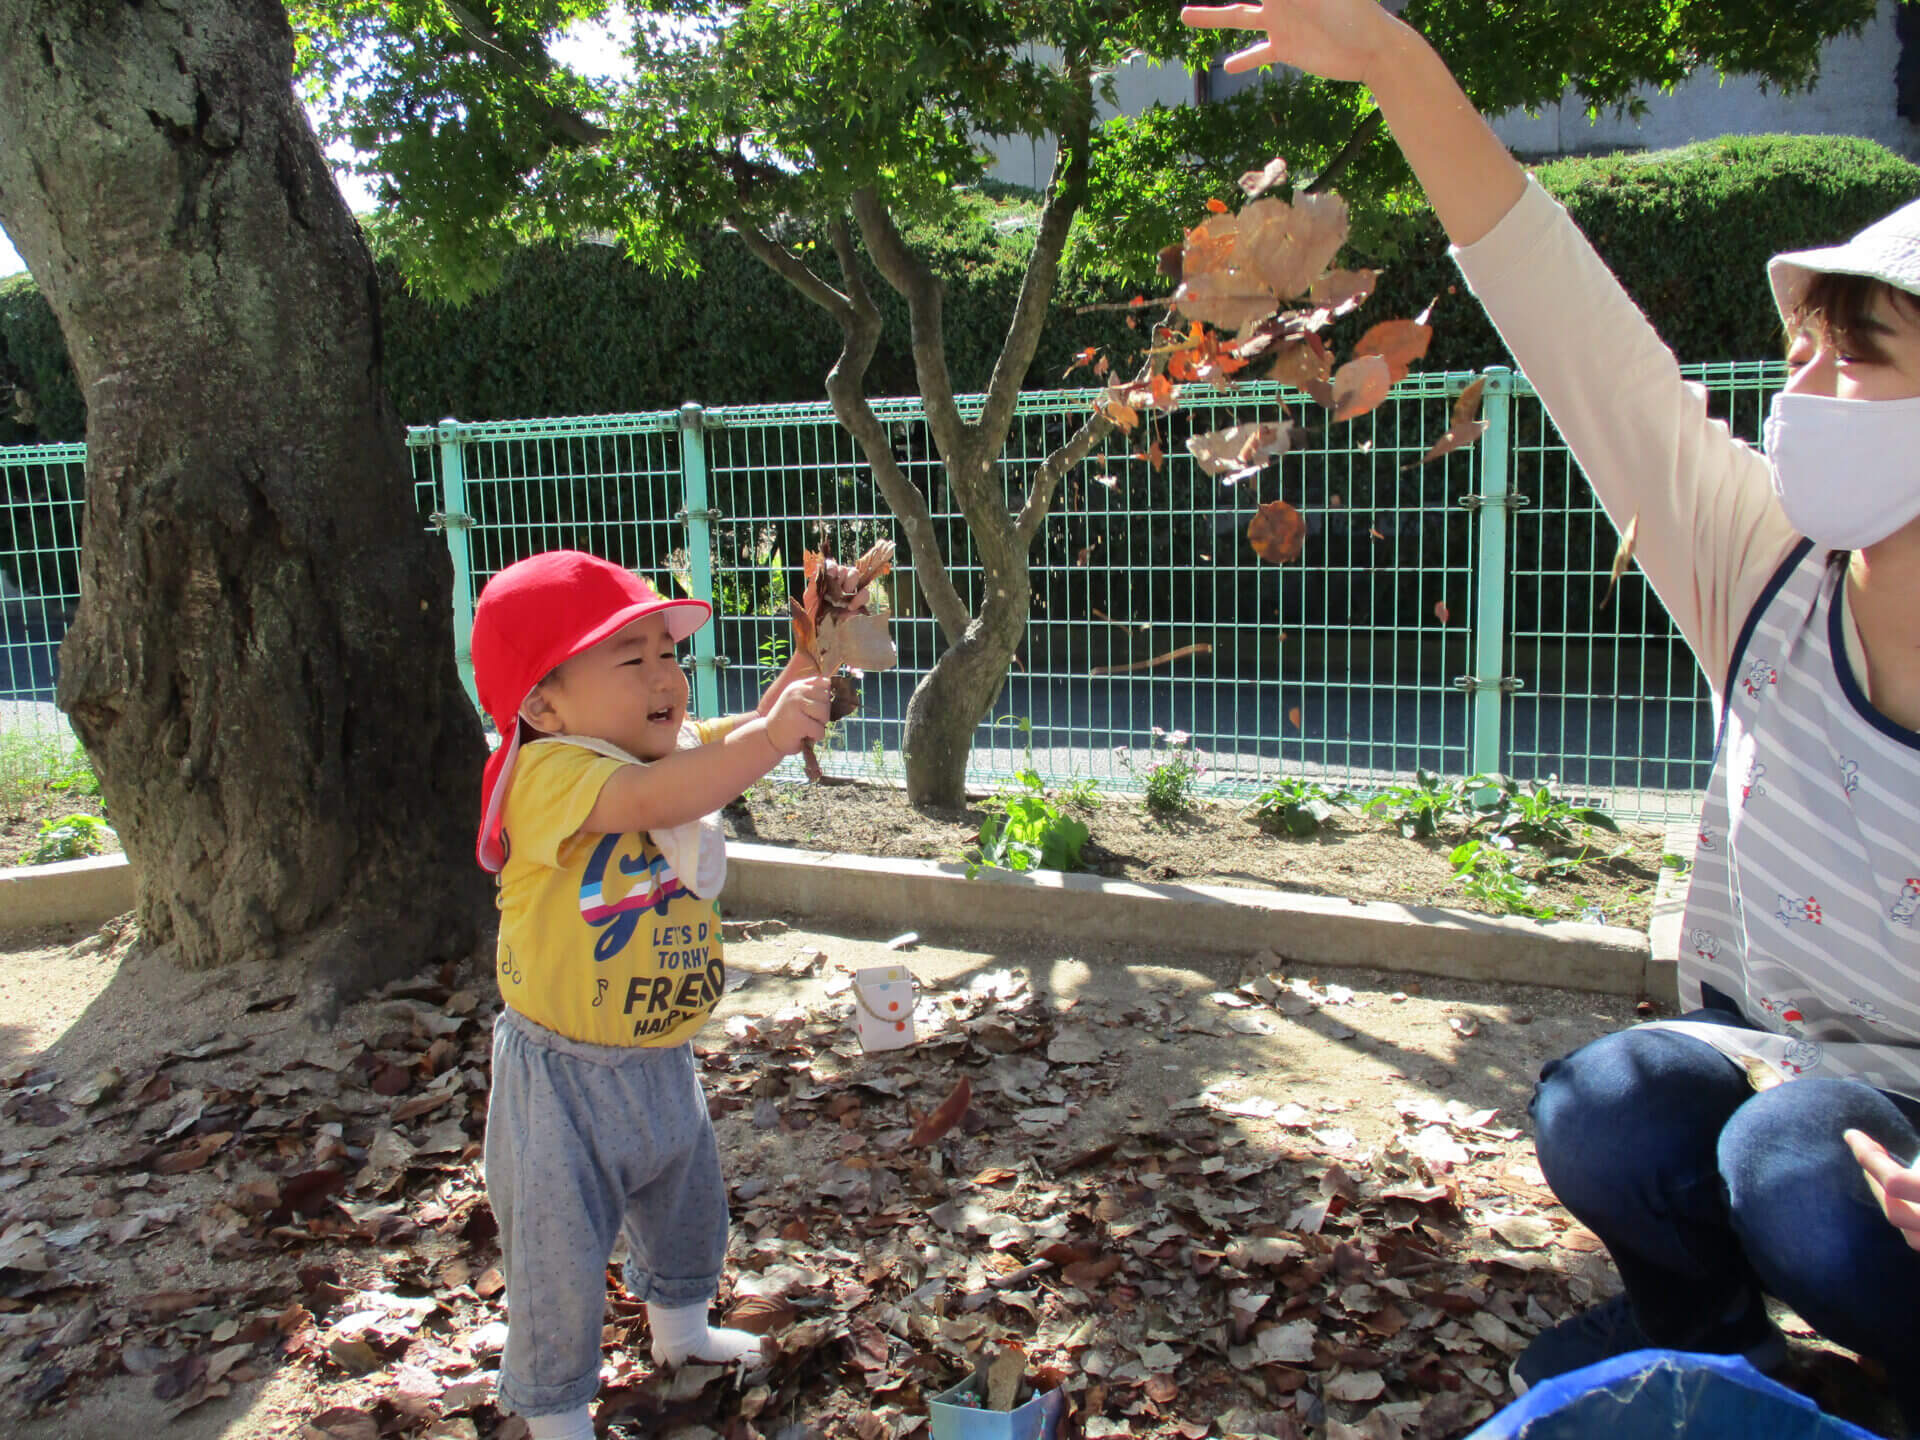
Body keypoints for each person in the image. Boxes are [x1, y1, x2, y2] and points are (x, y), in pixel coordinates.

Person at [1181, 0, 1920, 1415]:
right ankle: (1719, 1346)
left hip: (1863, 1136)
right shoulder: (1766, 570)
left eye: (1860, 358)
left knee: (1799, 1172)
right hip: (1786, 1057)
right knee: (1608, 1106)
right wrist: (1399, 64)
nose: (1804, 389)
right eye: (1805, 349)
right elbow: (1569, 321)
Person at [468, 549, 831, 1440]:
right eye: (631, 660)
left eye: (666, 652)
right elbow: (666, 791)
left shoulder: (658, 745)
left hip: (661, 1054)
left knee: (686, 1208)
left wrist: (812, 653)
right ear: (543, 704)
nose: (666, 675)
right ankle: (554, 1411)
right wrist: (772, 738)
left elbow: (743, 734)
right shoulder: (550, 774)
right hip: (562, 1083)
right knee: (557, 1255)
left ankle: (679, 1330)